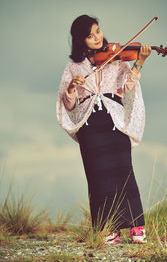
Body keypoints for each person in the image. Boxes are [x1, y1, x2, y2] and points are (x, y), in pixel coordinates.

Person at [56, 14, 151, 244]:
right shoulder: (73, 67)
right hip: (90, 124)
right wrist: (71, 87)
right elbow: (68, 104)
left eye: (98, 31)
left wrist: (139, 62)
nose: (97, 37)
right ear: (81, 40)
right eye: (90, 35)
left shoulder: (116, 58)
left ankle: (136, 226)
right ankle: (110, 229)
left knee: (123, 170)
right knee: (97, 176)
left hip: (113, 119)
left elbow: (127, 88)